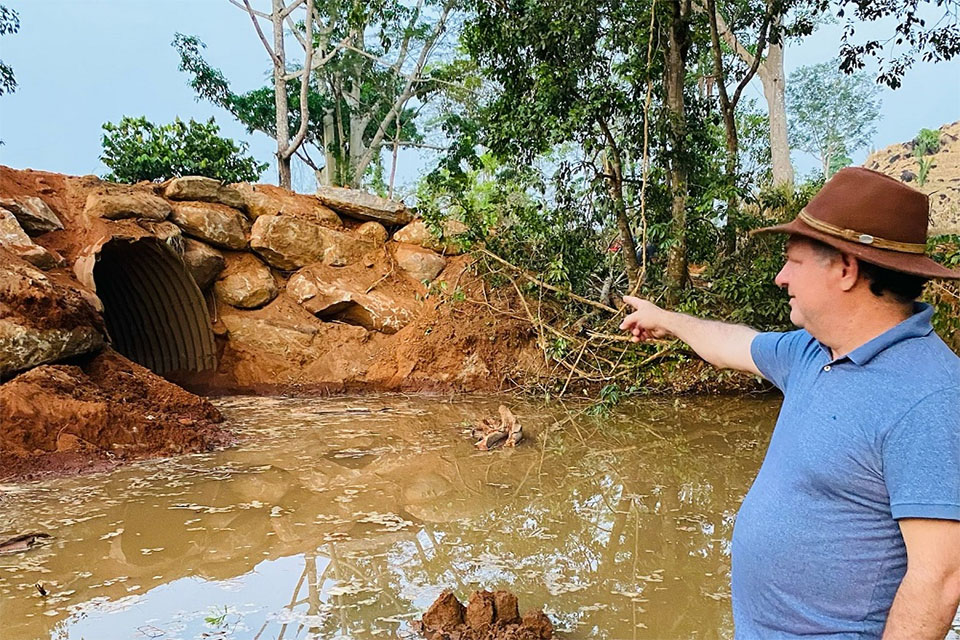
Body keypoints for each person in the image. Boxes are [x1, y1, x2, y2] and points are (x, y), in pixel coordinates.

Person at [620, 167, 960, 639]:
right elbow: (733, 344)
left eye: (793, 261)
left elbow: (940, 579)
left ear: (845, 268)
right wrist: (667, 320)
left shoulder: (930, 395)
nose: (781, 278)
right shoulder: (811, 352)